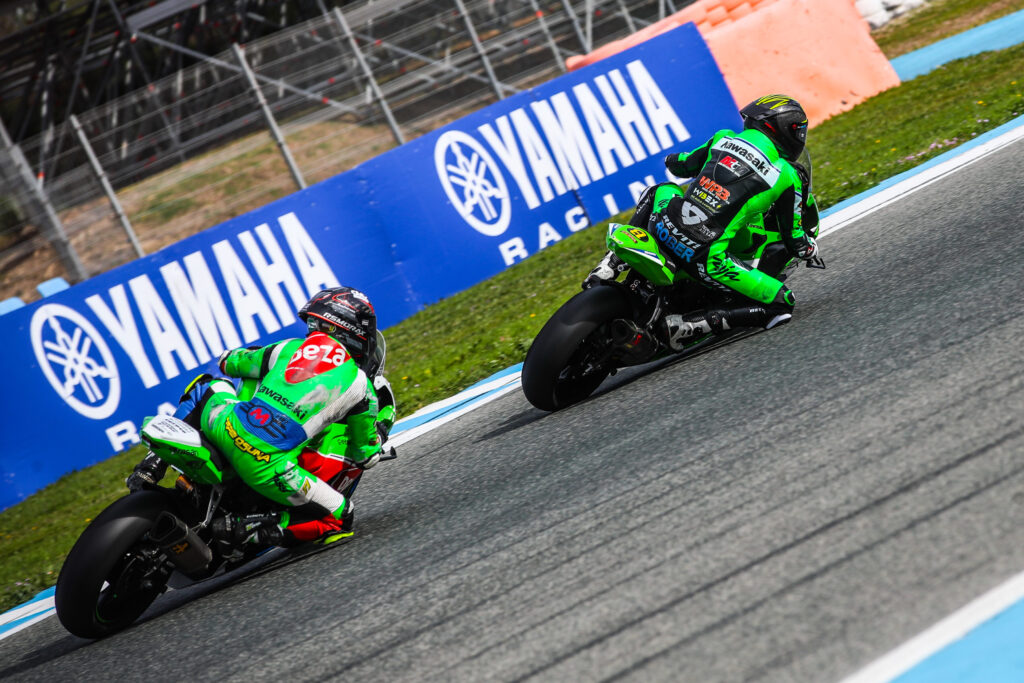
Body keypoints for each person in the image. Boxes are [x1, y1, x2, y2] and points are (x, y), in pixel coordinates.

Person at [128, 286, 386, 548]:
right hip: (265, 466)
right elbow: (365, 455)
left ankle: (152, 464)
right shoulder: (362, 386)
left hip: (224, 426)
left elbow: (228, 363)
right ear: (355, 332)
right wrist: (378, 439)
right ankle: (245, 529)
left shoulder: (288, 348)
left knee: (208, 385)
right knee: (340, 518)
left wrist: (250, 358)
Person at [584, 94, 821, 349]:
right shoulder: (788, 175)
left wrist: (670, 159)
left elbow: (682, 165)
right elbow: (794, 239)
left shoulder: (724, 138)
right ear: (785, 131)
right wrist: (810, 250)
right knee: (782, 302)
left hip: (664, 224)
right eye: (799, 132)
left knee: (660, 190)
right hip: (705, 258)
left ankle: (611, 262)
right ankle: (687, 325)